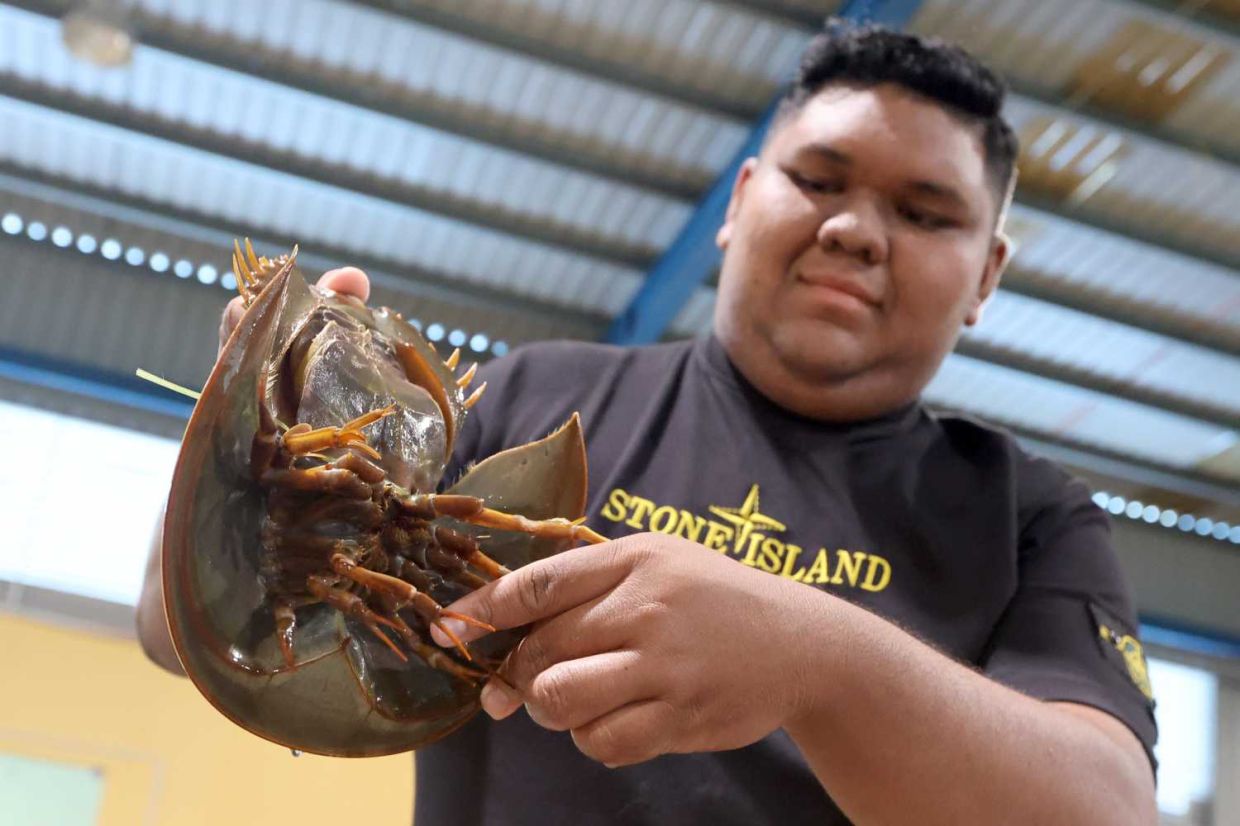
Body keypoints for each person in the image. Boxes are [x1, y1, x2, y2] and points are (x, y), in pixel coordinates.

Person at [139, 24, 1160, 825]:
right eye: (817, 180)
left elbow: (1104, 810)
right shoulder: (533, 401)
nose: (853, 229)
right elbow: (175, 631)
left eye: (926, 213)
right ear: (741, 199)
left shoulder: (1028, 516)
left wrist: (816, 658)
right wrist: (249, 441)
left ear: (985, 274)